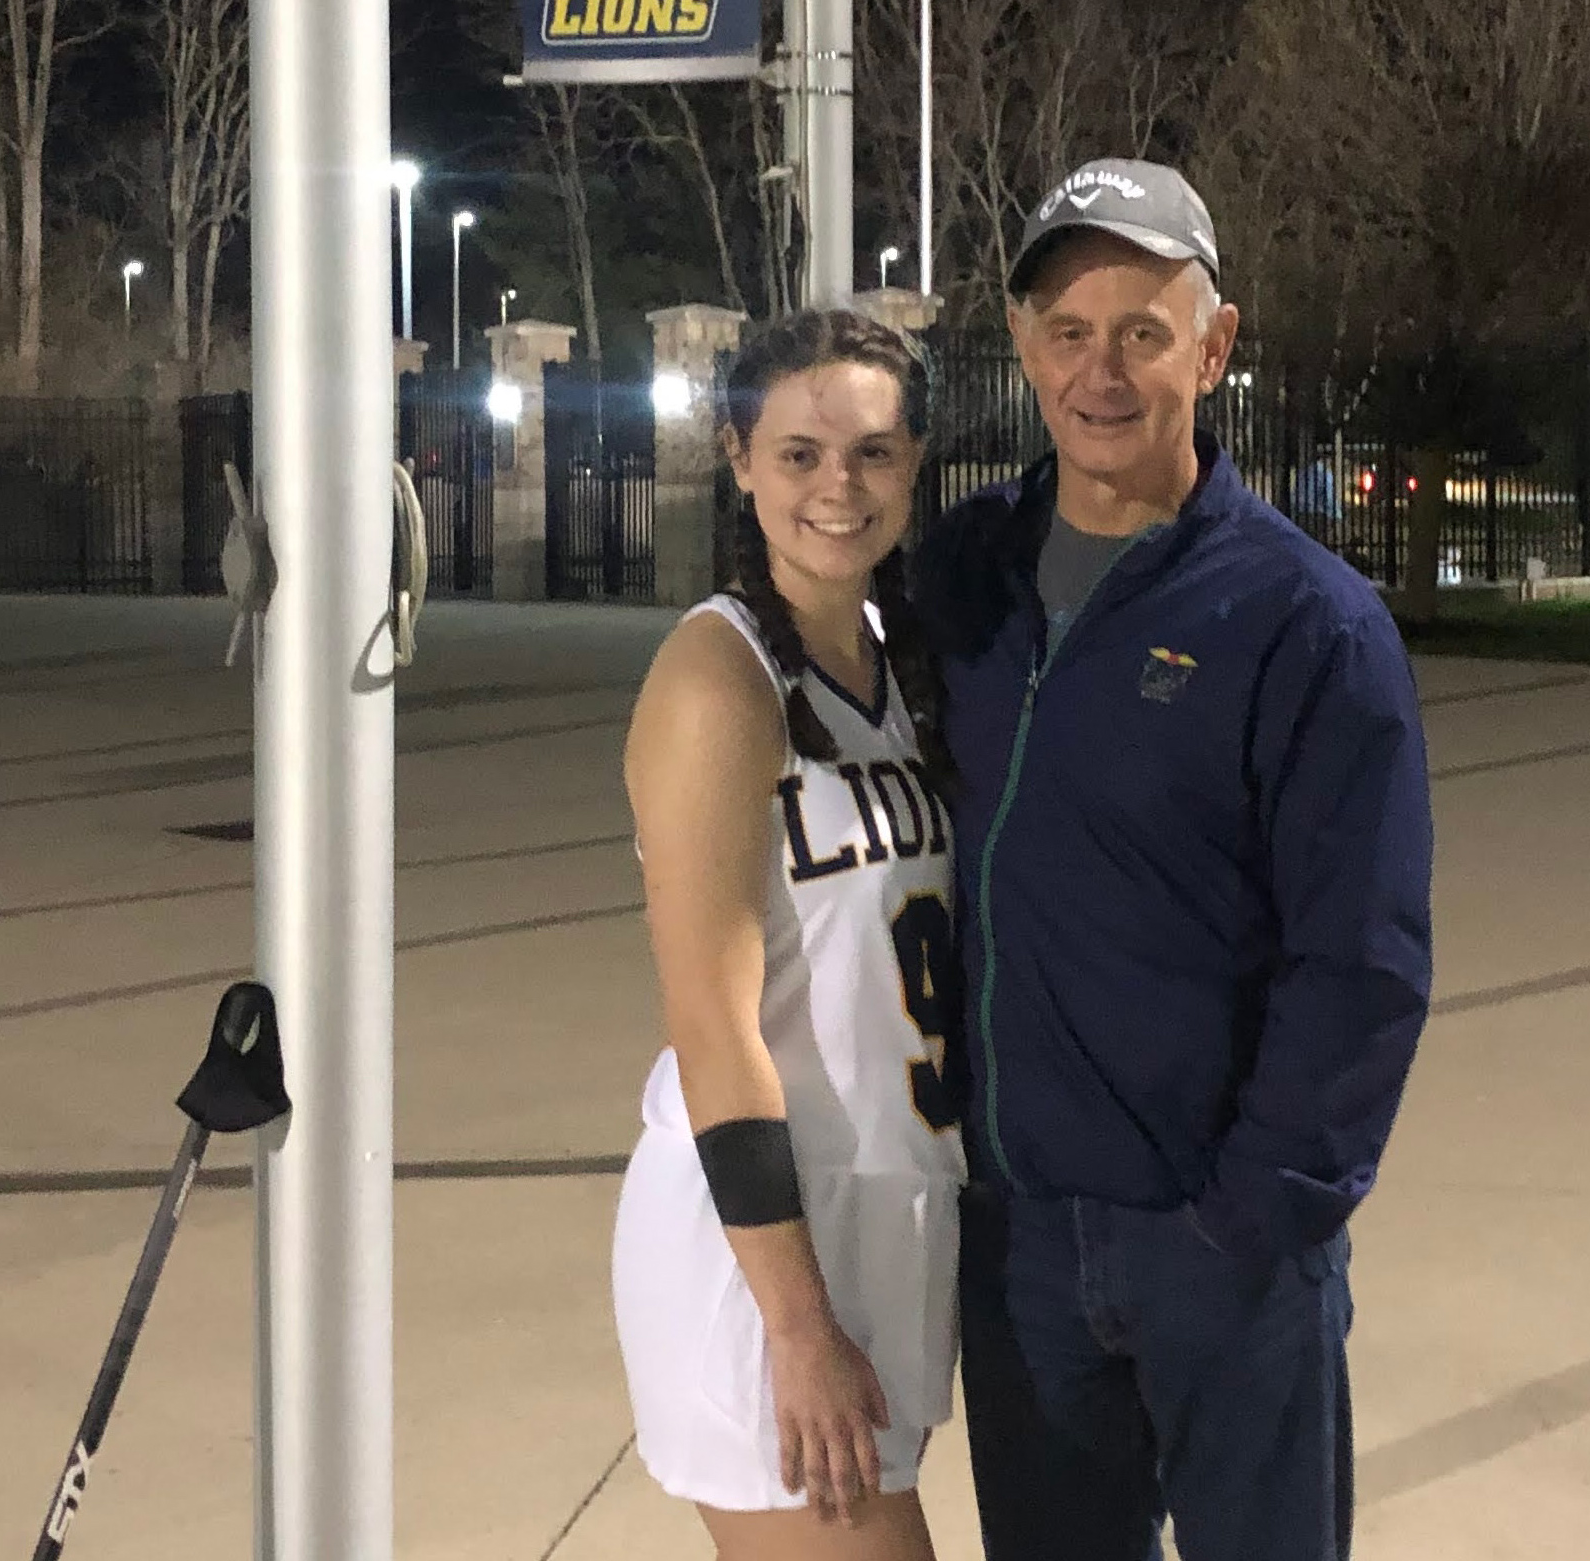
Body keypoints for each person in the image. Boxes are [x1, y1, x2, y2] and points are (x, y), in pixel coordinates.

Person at [909, 157, 1436, 1559]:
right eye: (1069, 331)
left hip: (1225, 1257)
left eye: (1143, 332)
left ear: (1214, 345)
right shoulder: (961, 580)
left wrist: (1249, 1222)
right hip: (1019, 1246)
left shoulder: (1305, 624)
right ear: (1022, 344)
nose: (1103, 372)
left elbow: (1363, 963)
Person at [610, 308, 967, 1560]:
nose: (838, 486)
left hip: (886, 1220)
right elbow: (711, 1026)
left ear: (914, 464)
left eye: (872, 452)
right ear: (738, 456)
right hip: (765, 1253)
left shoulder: (893, 658)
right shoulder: (720, 678)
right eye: (800, 452)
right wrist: (797, 1324)